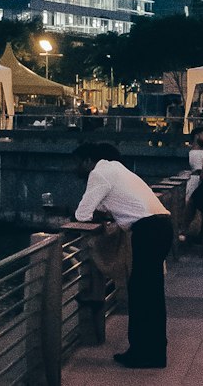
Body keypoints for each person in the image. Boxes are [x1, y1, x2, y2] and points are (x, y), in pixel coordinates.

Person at [74, 142, 173, 370]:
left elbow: (82, 214)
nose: (76, 169)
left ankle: (140, 353)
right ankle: (155, 353)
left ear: (89, 160)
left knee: (140, 294)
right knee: (152, 295)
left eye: (77, 163)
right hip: (161, 227)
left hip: (146, 232)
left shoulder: (99, 172)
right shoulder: (117, 169)